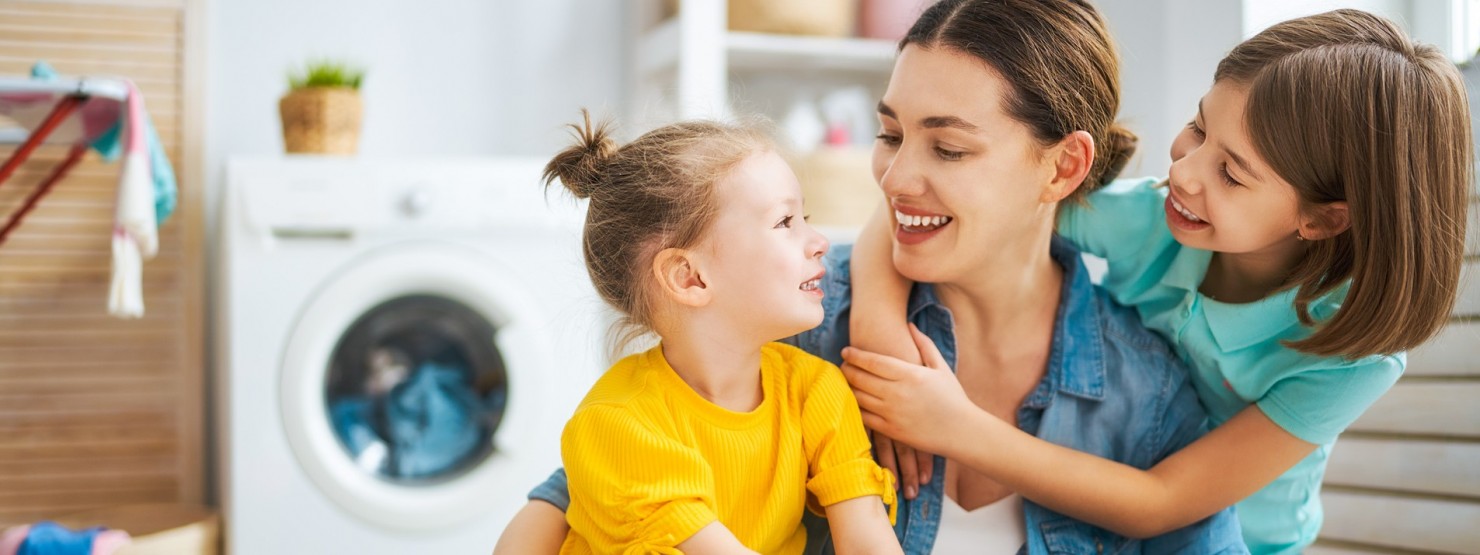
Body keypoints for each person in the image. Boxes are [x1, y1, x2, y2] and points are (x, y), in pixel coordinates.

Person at [493, 1, 1250, 553]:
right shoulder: (801, 323)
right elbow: (596, 481)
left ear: (1064, 166)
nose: (896, 177)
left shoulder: (1143, 392)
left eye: (948, 149)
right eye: (889, 134)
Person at [843, 8, 1472, 555]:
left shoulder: (1351, 356)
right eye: (1199, 127)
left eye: (1231, 173)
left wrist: (957, 427)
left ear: (1322, 217)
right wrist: (877, 327)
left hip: (1233, 531)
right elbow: (934, 204)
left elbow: (1161, 503)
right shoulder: (1149, 218)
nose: (1186, 173)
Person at [499, 111, 902, 555]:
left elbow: (866, 535)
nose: (820, 241)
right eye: (785, 223)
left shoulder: (815, 392)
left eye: (803, 217)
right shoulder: (617, 421)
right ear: (689, 277)